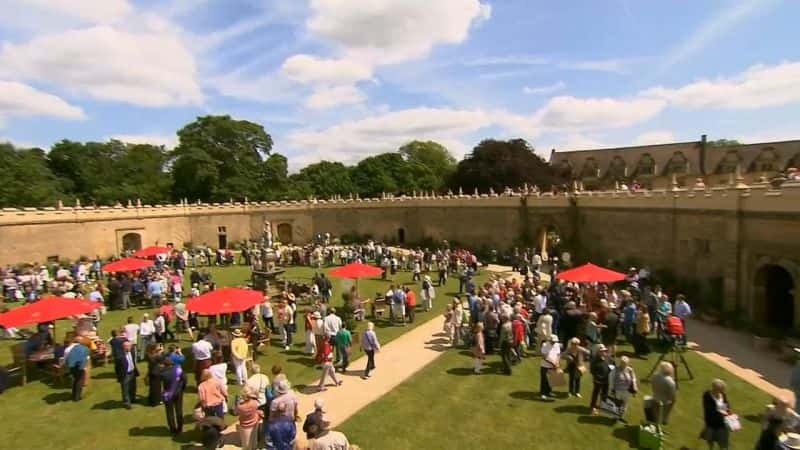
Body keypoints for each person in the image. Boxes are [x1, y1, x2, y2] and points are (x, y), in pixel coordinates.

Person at [267, 378, 299, 450]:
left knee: (278, 443)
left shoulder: (275, 402)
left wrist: (271, 427)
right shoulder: (292, 394)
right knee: (291, 440)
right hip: (291, 422)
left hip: (278, 425)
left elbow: (271, 417)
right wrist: (296, 415)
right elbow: (296, 407)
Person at [702, 379, 732, 450]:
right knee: (709, 439)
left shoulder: (723, 395)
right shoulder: (707, 395)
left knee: (724, 444)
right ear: (716, 389)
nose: (723, 391)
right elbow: (709, 410)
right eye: (721, 390)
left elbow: (726, 405)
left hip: (722, 425)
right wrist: (721, 411)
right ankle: (711, 448)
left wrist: (728, 411)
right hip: (711, 423)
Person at [160, 356, 186, 435]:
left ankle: (172, 429)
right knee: (179, 411)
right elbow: (184, 380)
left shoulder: (162, 372)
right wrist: (182, 389)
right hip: (178, 393)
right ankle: (180, 429)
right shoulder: (178, 370)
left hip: (168, 394)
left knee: (169, 412)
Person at [609, 355, 638, 423]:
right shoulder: (615, 369)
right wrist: (612, 389)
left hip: (627, 391)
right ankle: (615, 417)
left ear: (627, 363)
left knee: (625, 404)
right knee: (617, 404)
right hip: (618, 390)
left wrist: (634, 386)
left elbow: (634, 378)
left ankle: (621, 416)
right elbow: (611, 379)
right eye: (622, 362)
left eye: (625, 363)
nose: (623, 364)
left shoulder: (630, 370)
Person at [235, 386, 264, 450]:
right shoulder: (254, 403)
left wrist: (238, 402)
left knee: (246, 445)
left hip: (245, 426)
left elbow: (235, 412)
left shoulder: (240, 406)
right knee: (254, 442)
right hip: (254, 423)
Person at [114, 340, 139, 409]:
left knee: (133, 387)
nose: (128, 347)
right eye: (126, 346)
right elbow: (117, 367)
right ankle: (126, 403)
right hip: (125, 374)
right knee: (125, 389)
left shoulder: (132, 352)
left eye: (129, 346)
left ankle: (133, 399)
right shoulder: (119, 356)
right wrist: (119, 376)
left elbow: (133, 361)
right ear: (123, 347)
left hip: (132, 372)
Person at [590, 344, 613, 416]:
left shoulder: (607, 358)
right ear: (598, 352)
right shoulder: (594, 360)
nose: (603, 352)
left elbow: (612, 365)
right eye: (601, 351)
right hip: (598, 381)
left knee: (605, 394)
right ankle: (593, 407)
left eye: (604, 351)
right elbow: (592, 371)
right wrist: (598, 378)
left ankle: (603, 406)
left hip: (606, 380)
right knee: (595, 394)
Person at [540, 334, 561, 399]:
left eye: (555, 341)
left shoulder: (557, 345)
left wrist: (557, 362)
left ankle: (549, 392)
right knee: (545, 380)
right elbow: (544, 356)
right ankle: (543, 393)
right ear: (549, 340)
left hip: (554, 365)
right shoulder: (545, 345)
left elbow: (558, 354)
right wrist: (553, 363)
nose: (554, 342)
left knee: (551, 380)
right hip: (545, 365)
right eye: (553, 341)